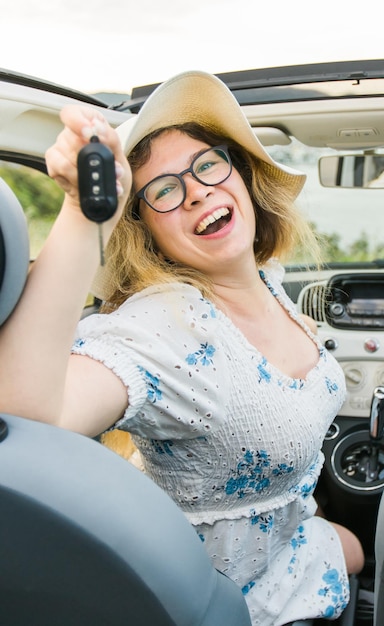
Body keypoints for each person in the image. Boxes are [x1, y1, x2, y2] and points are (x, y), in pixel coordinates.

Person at [0, 70, 364, 625]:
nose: (197, 189)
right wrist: (84, 209)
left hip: (292, 543)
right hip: (221, 600)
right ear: (145, 229)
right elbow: (29, 412)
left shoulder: (268, 279)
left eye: (208, 164)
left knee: (360, 547)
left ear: (241, 176)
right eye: (164, 190)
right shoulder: (164, 329)